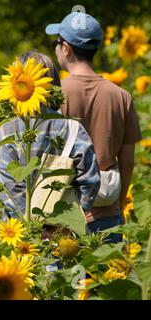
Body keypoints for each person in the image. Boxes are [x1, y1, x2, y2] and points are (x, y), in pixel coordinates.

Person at [46, 12, 142, 242]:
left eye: (56, 43)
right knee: (106, 275)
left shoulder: (56, 94)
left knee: (68, 279)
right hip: (108, 211)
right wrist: (119, 205)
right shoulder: (122, 96)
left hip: (66, 216)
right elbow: (128, 160)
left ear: (66, 48)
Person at [0, 51, 101, 232]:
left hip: (18, 236)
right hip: (63, 235)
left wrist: (32, 226)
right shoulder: (71, 128)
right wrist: (69, 220)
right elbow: (90, 180)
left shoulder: (7, 129)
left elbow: (6, 187)